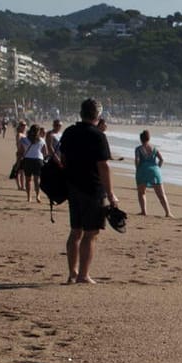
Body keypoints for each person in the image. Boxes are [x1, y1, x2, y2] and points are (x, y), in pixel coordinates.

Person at [57, 100, 117, 284]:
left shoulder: (69, 132)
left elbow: (63, 158)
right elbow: (103, 166)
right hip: (92, 188)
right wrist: (111, 193)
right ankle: (83, 274)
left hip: (73, 187)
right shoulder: (98, 136)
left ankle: (72, 273)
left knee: (75, 231)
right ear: (97, 115)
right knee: (91, 233)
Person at [134, 129, 171, 216]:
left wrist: (137, 169)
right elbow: (161, 160)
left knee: (141, 192)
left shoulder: (138, 149)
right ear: (149, 139)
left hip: (143, 170)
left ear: (141, 139)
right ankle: (168, 212)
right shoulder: (154, 148)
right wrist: (157, 168)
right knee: (161, 194)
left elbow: (137, 160)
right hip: (155, 170)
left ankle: (144, 211)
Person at [18, 125, 47, 201]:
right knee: (36, 180)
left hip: (28, 160)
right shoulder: (41, 140)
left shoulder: (24, 139)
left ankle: (29, 197)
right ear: (38, 132)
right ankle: (38, 196)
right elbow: (45, 152)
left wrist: (18, 161)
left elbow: (20, 152)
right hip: (38, 160)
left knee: (28, 180)